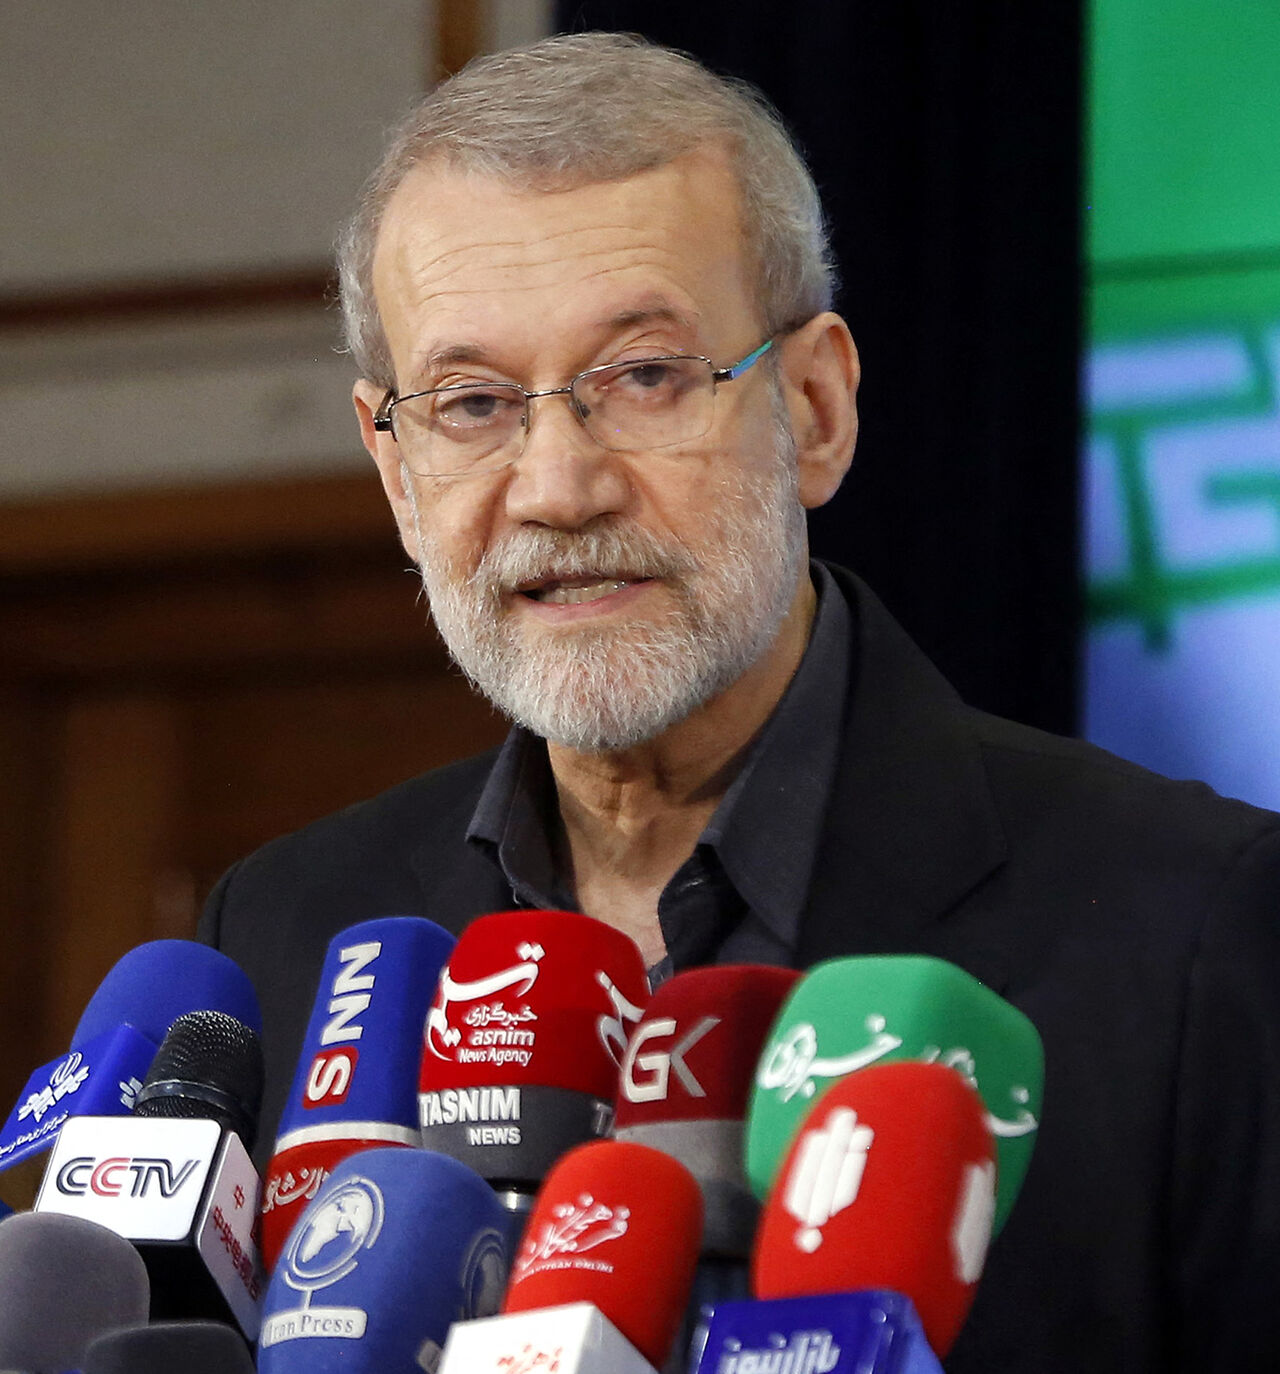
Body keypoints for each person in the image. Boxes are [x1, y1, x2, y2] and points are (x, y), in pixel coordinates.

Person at [199, 32, 1280, 1371]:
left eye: (644, 376)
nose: (557, 485)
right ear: (397, 471)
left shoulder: (1196, 927)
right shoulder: (286, 936)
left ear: (817, 407)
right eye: (473, 402)